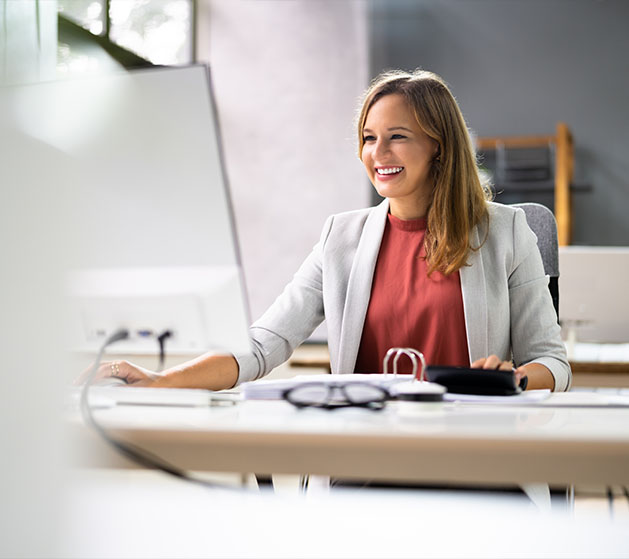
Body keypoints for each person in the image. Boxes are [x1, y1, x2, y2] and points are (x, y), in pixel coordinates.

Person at [90, 69, 571, 393]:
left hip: (475, 450)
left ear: (438, 147)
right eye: (368, 138)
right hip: (363, 454)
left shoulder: (507, 232)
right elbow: (261, 346)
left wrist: (516, 379)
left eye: (397, 137)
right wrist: (159, 382)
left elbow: (553, 362)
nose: (377, 152)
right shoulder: (341, 237)